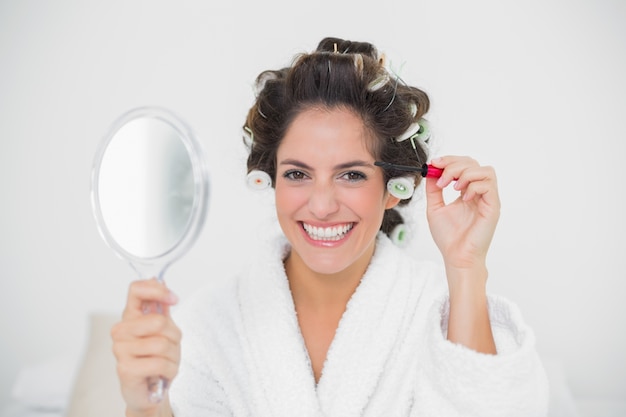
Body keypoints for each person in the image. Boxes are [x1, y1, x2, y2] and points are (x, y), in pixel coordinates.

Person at [111, 37, 549, 417]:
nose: (320, 206)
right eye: (298, 174)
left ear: (394, 187)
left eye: (352, 174)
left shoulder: (438, 310)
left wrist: (466, 266)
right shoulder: (210, 325)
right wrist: (145, 407)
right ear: (271, 179)